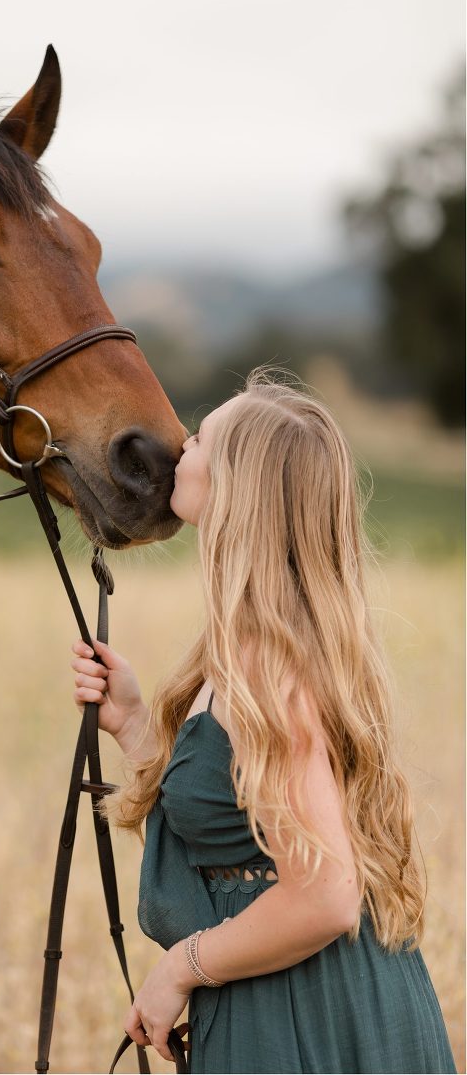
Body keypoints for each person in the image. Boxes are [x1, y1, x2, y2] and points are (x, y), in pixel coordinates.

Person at [71, 369, 455, 1074]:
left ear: (237, 488)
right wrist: (132, 724)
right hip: (299, 997)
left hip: (305, 1015)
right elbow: (243, 814)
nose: (180, 444)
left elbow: (326, 894)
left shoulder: (269, 664)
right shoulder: (259, 644)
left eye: (202, 438)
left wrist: (180, 967)